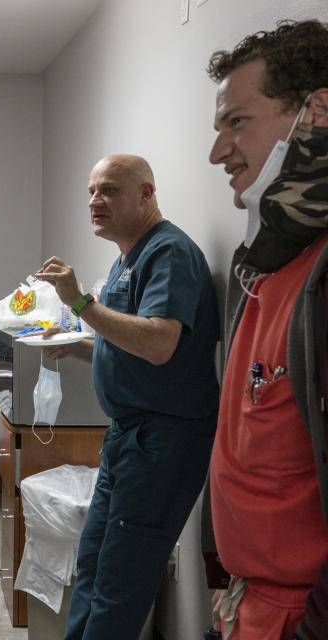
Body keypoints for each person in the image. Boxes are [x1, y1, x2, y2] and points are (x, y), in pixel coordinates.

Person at [33, 155, 219, 640]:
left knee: (120, 581)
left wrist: (79, 302)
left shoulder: (169, 252)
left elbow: (159, 343)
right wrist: (72, 345)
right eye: (93, 191)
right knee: (93, 566)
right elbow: (129, 343)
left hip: (164, 441)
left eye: (110, 190)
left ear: (146, 194)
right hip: (127, 439)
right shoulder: (126, 258)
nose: (96, 200)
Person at [203, 20, 328, 640]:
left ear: (316, 112)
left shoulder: (321, 285)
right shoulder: (261, 270)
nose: (218, 152)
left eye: (236, 122)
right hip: (247, 602)